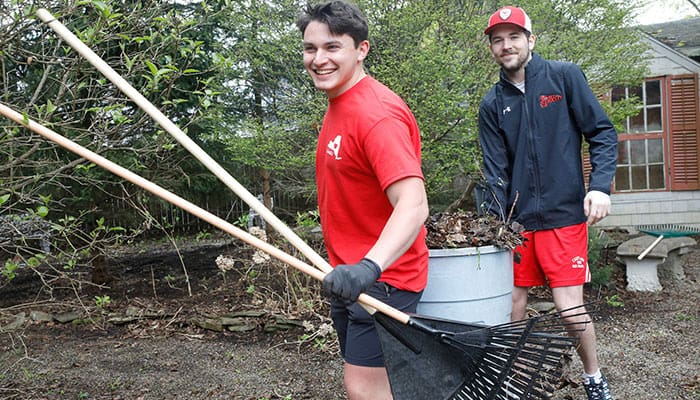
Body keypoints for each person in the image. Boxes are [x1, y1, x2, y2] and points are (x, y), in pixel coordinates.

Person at [477, 6, 617, 400]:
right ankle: (512, 384)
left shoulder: (564, 77)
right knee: (512, 306)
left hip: (563, 215)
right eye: (498, 40)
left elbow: (602, 133)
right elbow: (496, 171)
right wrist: (497, 225)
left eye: (514, 37)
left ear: (530, 40)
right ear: (491, 48)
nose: (506, 46)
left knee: (568, 308)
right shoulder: (492, 104)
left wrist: (600, 187)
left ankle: (593, 377)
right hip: (519, 225)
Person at [295, 2, 429, 399]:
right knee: (380, 387)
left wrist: (369, 267)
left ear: (361, 49)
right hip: (350, 274)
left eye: (332, 47)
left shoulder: (376, 114)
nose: (318, 59)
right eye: (310, 48)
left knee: (364, 390)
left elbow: (414, 203)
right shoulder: (341, 103)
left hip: (384, 279)